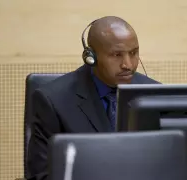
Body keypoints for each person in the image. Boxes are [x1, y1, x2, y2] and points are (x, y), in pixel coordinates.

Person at [26, 16, 159, 180]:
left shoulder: (153, 94)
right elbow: (42, 175)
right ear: (91, 57)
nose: (128, 65)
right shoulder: (52, 101)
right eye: (117, 55)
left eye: (133, 53)